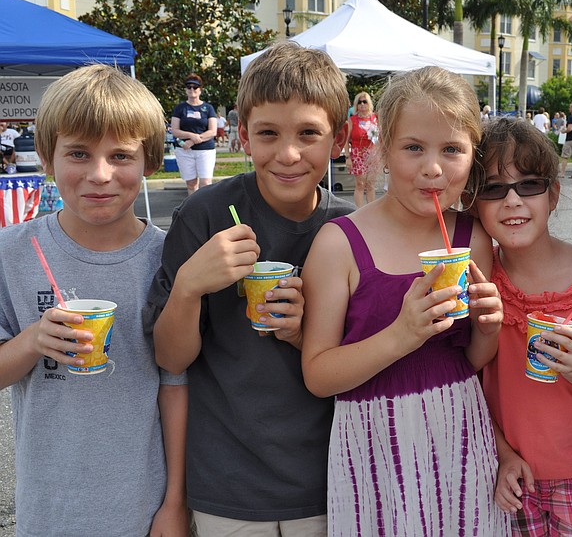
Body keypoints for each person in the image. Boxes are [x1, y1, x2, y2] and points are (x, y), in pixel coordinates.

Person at [149, 42, 353, 536]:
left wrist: (306, 335)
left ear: (340, 138)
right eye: (268, 134)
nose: (288, 154)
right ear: (242, 136)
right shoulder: (204, 217)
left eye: (309, 134)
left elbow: (361, 364)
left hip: (327, 478)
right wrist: (189, 287)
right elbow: (170, 359)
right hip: (227, 481)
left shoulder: (350, 230)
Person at [300, 66, 510, 536]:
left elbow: (469, 360)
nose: (432, 168)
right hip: (375, 440)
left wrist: (490, 329)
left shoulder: (471, 237)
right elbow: (317, 375)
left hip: (459, 434)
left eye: (451, 149)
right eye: (413, 147)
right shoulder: (339, 243)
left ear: (472, 156)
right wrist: (401, 335)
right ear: (384, 150)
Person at [0, 65, 189, 536]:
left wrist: (174, 505)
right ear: (46, 157)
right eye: (79, 154)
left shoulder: (171, 259)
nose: (100, 175)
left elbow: (176, 386)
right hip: (48, 508)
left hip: (143, 508)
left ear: (149, 161)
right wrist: (32, 341)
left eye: (121, 155)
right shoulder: (12, 253)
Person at [471, 117, 572, 536]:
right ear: (474, 203)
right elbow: (471, 382)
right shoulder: (479, 282)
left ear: (554, 194)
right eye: (493, 188)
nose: (513, 200)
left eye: (530, 185)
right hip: (509, 475)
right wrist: (502, 454)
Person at [171, 73, 218, 194]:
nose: (192, 90)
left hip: (205, 150)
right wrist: (190, 135)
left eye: (195, 87)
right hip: (185, 151)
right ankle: (193, 209)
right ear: (185, 90)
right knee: (191, 184)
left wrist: (192, 141)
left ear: (200, 90)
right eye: (189, 87)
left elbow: (212, 131)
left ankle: (206, 209)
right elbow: (175, 130)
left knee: (206, 183)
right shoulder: (180, 108)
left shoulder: (208, 108)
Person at [344, 92, 378, 208]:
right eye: (359, 102)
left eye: (365, 102)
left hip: (373, 154)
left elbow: (381, 138)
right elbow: (346, 140)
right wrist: (347, 157)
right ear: (356, 105)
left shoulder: (375, 118)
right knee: (360, 184)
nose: (362, 104)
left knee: (371, 185)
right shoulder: (352, 120)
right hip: (358, 154)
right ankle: (359, 210)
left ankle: (372, 210)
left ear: (369, 103)